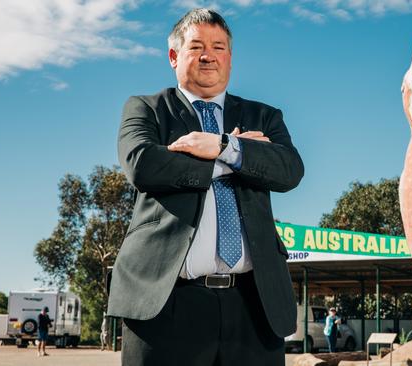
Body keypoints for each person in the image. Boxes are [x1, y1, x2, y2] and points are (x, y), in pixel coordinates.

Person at [106, 8, 304, 366]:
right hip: (166, 305)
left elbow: (289, 170)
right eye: (196, 46)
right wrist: (236, 158)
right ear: (174, 56)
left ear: (230, 57)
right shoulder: (147, 109)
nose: (208, 55)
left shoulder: (264, 116)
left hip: (254, 307)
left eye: (219, 46)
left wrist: (224, 145)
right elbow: (143, 164)